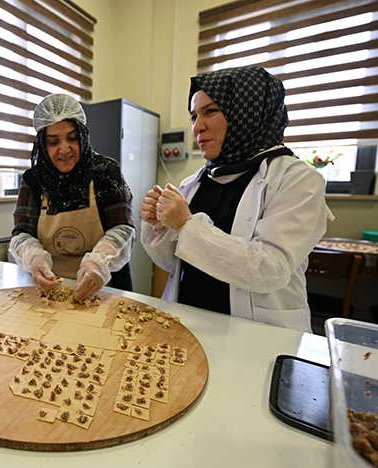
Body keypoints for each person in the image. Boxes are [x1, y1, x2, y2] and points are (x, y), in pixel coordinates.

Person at [140, 65, 333, 332]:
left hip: (259, 336)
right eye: (194, 116)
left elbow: (271, 268)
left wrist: (185, 224)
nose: (198, 127)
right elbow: (174, 262)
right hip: (189, 325)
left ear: (247, 112)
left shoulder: (297, 180)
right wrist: (162, 226)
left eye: (210, 111)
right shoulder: (193, 182)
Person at [10, 93, 136, 302]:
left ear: (83, 136)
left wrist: (98, 262)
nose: (64, 149)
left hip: (103, 290)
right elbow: (21, 233)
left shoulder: (105, 172)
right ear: (42, 144)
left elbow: (123, 228)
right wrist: (34, 259)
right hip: (47, 291)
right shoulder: (33, 180)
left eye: (72, 138)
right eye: (53, 142)